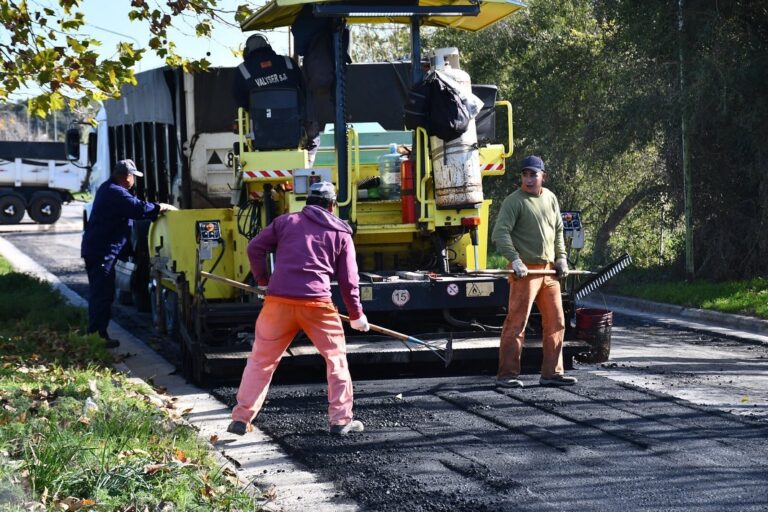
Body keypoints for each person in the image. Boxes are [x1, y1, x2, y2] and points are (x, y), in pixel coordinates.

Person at [228, 181, 370, 437]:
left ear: (308, 202)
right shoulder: (341, 233)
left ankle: (241, 418)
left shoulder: (285, 222)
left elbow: (254, 247)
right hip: (317, 306)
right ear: (332, 205)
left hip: (278, 303)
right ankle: (340, 421)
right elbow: (350, 280)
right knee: (335, 360)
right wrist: (356, 315)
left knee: (261, 361)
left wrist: (264, 281)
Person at [491, 155, 577, 388]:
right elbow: (500, 233)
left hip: (549, 273)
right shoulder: (514, 201)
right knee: (516, 323)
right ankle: (507, 375)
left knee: (557, 321)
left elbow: (558, 230)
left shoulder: (550, 198)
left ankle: (552, 373)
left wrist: (561, 258)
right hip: (525, 272)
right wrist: (515, 260)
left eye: (533, 175)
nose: (528, 180)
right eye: (525, 175)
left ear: (543, 177)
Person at [81, 159, 175, 348]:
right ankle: (96, 335)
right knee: (102, 295)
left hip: (99, 251)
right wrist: (160, 207)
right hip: (102, 253)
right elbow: (137, 209)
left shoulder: (108, 188)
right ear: (127, 177)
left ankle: (97, 333)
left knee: (101, 293)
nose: (133, 181)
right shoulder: (116, 192)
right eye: (133, 177)